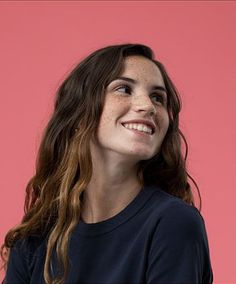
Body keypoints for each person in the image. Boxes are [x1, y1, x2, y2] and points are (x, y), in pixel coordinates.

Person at [0, 43, 213, 284]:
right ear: (79, 115)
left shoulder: (173, 223)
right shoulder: (33, 241)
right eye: (123, 89)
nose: (148, 106)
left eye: (158, 97)